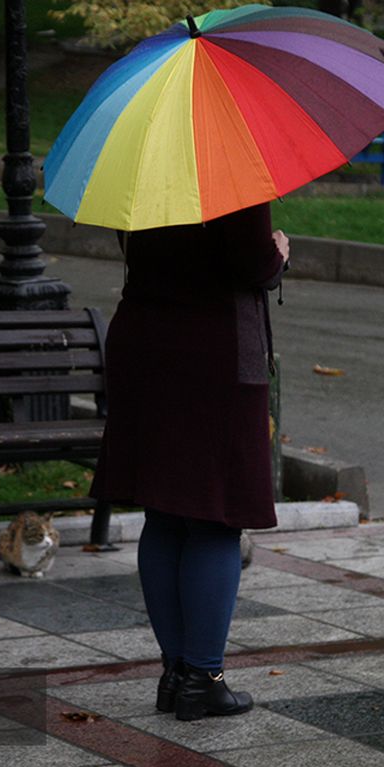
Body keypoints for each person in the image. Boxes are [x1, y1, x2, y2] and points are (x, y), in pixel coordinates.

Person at [89, 203, 289, 722]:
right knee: (215, 517)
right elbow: (252, 262)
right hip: (214, 352)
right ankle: (203, 678)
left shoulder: (145, 163)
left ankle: (177, 672)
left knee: (165, 511)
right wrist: (278, 255)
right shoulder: (229, 169)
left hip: (143, 342)